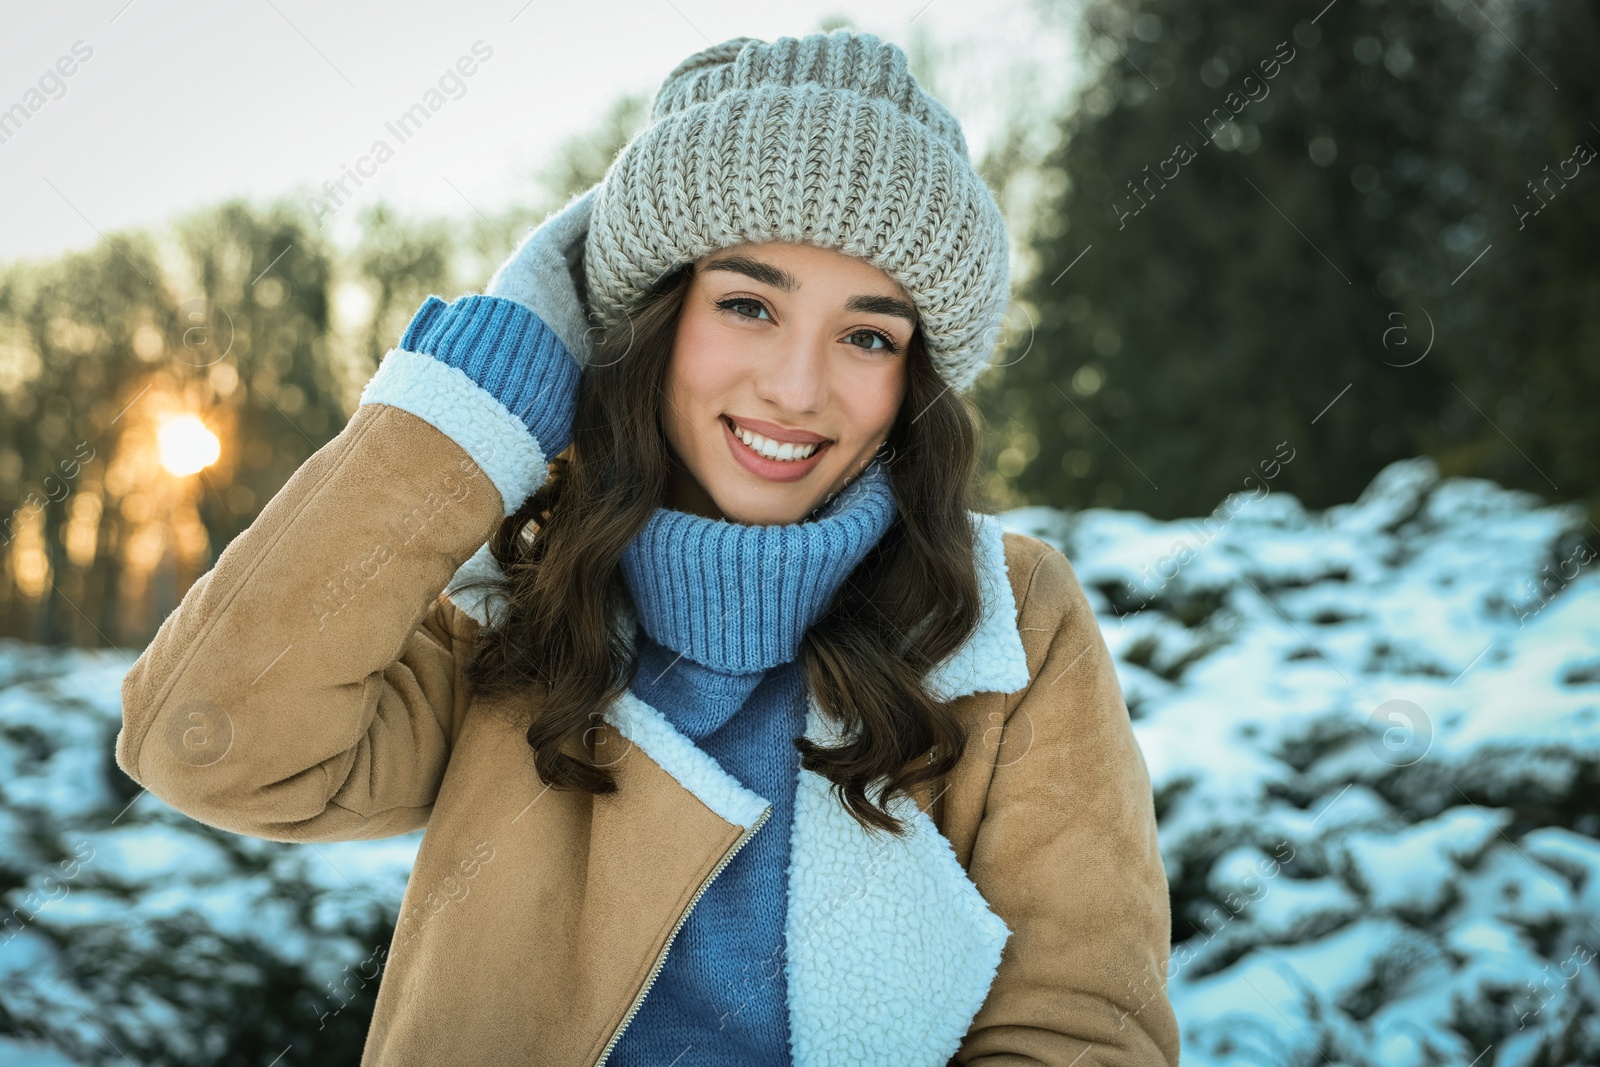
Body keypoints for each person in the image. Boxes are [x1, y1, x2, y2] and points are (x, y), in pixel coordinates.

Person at [115, 29, 1180, 1067]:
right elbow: (216, 744)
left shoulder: (1006, 620)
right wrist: (474, 400)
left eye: (867, 334)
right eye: (748, 304)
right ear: (652, 320)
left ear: (914, 378)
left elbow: (1082, 1026)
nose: (796, 388)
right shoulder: (510, 596)